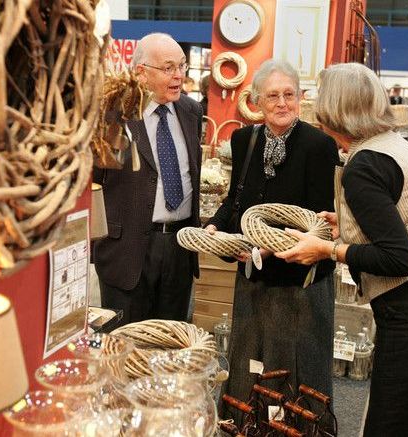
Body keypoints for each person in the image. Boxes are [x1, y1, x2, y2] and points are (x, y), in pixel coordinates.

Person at [275, 63, 408, 437]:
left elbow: (399, 258)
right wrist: (345, 221)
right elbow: (400, 213)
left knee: (394, 421)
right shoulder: (391, 145)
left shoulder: (363, 166)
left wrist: (330, 249)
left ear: (334, 111)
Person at [205, 59, 338, 415]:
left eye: (289, 95)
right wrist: (216, 229)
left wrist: (271, 245)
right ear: (257, 102)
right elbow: (235, 199)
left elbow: (320, 221)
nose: (282, 103)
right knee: (248, 360)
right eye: (273, 96)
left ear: (300, 98)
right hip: (253, 275)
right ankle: (244, 422)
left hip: (300, 282)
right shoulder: (243, 139)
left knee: (295, 370)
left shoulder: (319, 145)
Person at [92, 33, 203, 325]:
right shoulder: (112, 113)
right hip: (126, 252)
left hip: (180, 247)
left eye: (182, 66)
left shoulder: (191, 111)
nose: (179, 75)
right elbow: (93, 180)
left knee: (169, 346)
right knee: (124, 349)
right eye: (169, 68)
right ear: (141, 72)